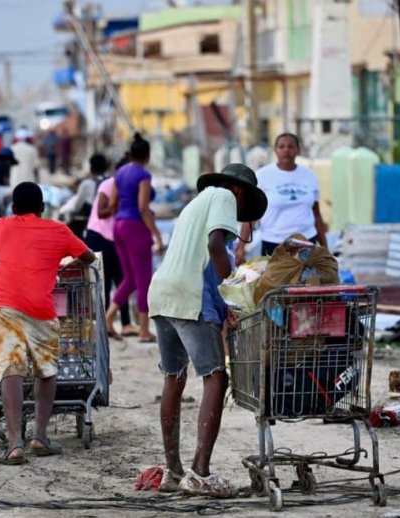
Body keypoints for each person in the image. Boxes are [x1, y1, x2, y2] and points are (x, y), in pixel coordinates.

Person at [147, 163, 267, 495]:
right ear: (241, 191)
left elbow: (200, 257)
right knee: (217, 376)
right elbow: (215, 248)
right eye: (244, 208)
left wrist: (222, 302)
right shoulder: (226, 197)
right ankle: (200, 471)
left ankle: (173, 471)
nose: (240, 214)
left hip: (162, 293)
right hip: (188, 297)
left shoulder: (196, 203)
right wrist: (233, 289)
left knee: (174, 377)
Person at [0, 182, 96, 465]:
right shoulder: (58, 230)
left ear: (13, 208)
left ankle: (13, 445)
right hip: (42, 310)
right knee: (46, 371)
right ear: (43, 207)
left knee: (11, 368)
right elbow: (89, 257)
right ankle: (40, 437)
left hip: (5, 307)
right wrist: (62, 263)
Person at [104, 133, 164, 343]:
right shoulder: (143, 176)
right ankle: (144, 330)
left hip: (119, 226)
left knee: (129, 279)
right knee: (143, 280)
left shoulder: (120, 173)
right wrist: (157, 235)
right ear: (147, 155)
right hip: (135, 227)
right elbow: (143, 208)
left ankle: (108, 318)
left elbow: (112, 204)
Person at [236, 133, 327, 264]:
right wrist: (241, 248)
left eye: (291, 146)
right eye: (281, 147)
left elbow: (316, 214)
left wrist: (325, 248)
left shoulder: (309, 176)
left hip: (306, 242)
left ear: (298, 150)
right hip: (274, 244)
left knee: (306, 282)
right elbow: (252, 216)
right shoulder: (263, 176)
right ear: (275, 150)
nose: (286, 150)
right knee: (276, 283)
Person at [81, 154, 133, 337]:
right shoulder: (109, 184)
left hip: (115, 237)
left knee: (122, 278)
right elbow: (102, 212)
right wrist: (116, 205)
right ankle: (103, 324)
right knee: (105, 278)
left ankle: (125, 323)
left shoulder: (129, 187)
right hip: (100, 235)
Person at [62, 152, 105, 238]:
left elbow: (78, 205)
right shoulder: (110, 182)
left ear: (91, 167)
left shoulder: (87, 184)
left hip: (91, 221)